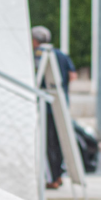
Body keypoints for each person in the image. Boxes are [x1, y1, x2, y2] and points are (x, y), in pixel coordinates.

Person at [32, 26, 76, 189]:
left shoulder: (37, 55)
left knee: (48, 143)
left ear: (35, 40)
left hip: (46, 107)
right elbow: (73, 75)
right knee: (60, 142)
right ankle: (58, 175)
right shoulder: (61, 54)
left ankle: (52, 178)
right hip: (62, 104)